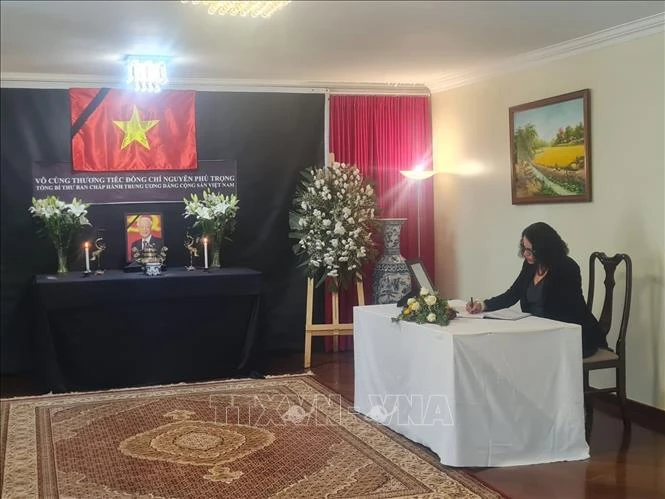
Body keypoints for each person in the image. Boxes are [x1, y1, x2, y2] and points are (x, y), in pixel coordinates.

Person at [466, 222, 605, 358]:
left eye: (530, 250)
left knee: (518, 353)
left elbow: (564, 312)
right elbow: (513, 294)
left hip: (571, 336)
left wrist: (529, 327)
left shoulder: (566, 268)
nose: (525, 254)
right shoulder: (531, 265)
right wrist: (483, 305)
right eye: (524, 248)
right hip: (539, 333)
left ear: (544, 249)